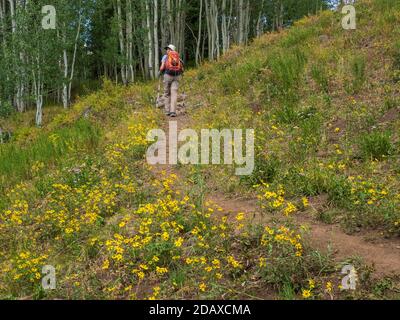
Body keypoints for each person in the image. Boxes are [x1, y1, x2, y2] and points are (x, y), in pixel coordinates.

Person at [159, 44, 184, 117]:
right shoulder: (178, 57)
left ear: (170, 50)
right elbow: (182, 68)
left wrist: (160, 71)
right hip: (177, 76)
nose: (167, 50)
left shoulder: (165, 57)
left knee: (166, 93)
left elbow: (162, 67)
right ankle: (173, 111)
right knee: (174, 93)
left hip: (168, 76)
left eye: (168, 49)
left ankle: (167, 111)